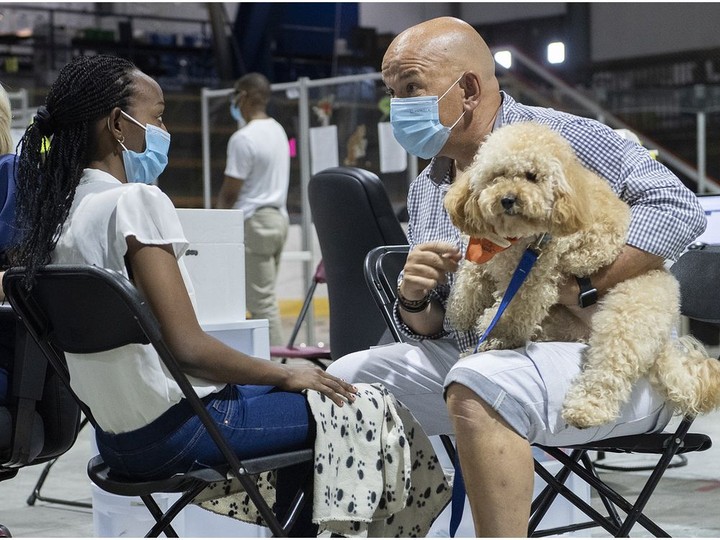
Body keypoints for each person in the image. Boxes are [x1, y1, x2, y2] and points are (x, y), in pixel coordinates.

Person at [326, 17, 707, 537]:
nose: (399, 108)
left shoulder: (566, 139)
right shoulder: (429, 185)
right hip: (488, 350)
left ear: (468, 90)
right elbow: (443, 328)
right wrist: (415, 299)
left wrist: (586, 287)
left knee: (480, 382)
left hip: (604, 353)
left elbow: (678, 207)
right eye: (392, 93)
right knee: (346, 379)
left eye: (411, 89)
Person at [12, 55, 357, 536]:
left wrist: (278, 379)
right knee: (352, 408)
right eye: (156, 117)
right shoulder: (134, 201)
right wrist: (283, 373)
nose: (162, 128)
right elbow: (189, 349)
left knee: (295, 392)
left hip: (116, 442)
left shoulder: (57, 222)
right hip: (180, 431)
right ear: (118, 124)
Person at [216, 73, 290, 346]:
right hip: (278, 222)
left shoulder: (243, 138)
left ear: (243, 96)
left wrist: (217, 225)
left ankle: (279, 366)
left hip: (254, 222)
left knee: (261, 304)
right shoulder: (278, 130)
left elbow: (231, 191)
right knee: (265, 297)